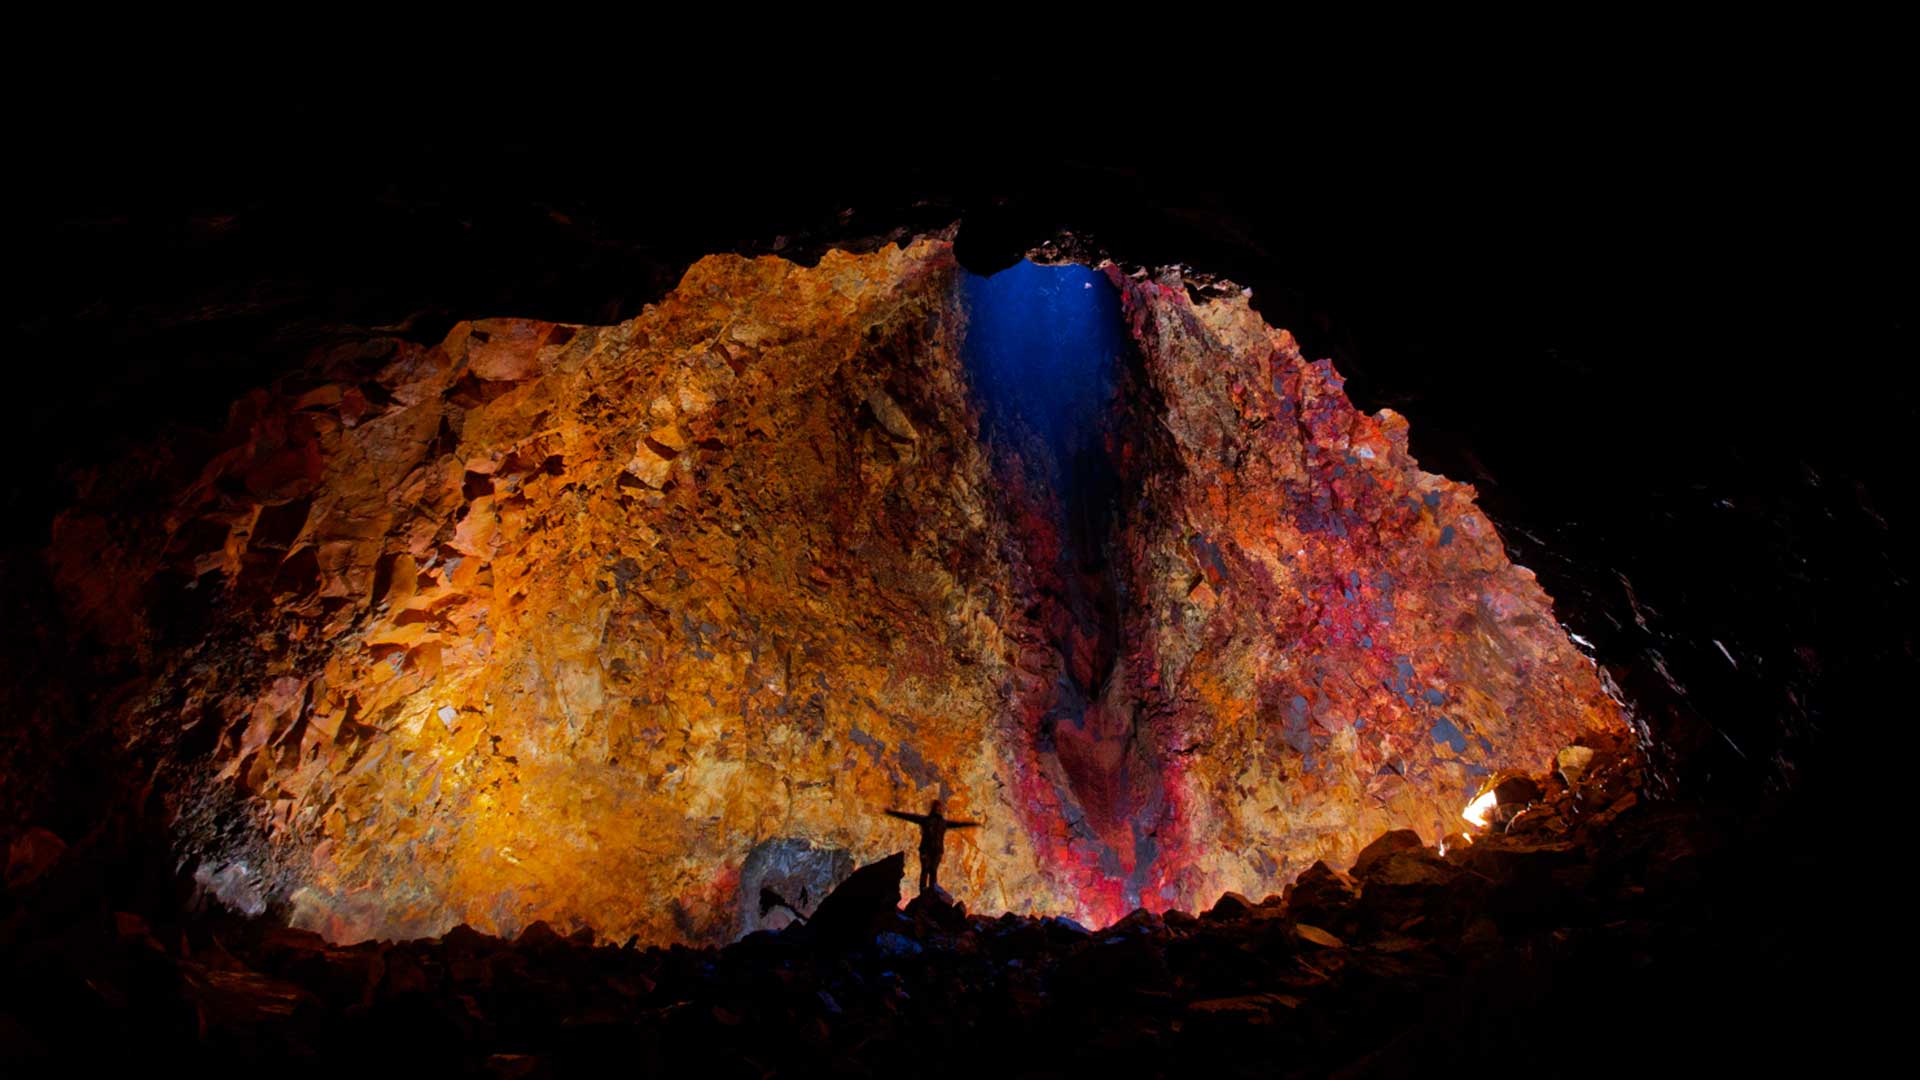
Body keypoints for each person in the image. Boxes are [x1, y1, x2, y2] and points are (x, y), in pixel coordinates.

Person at [881, 799, 980, 894]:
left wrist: (972, 823)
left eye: (940, 808)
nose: (939, 809)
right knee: (925, 870)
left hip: (936, 851)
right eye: (938, 807)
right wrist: (892, 813)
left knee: (933, 871)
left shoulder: (942, 823)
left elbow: (959, 824)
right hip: (926, 850)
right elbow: (908, 816)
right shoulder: (927, 820)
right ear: (934, 808)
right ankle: (924, 892)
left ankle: (932, 892)